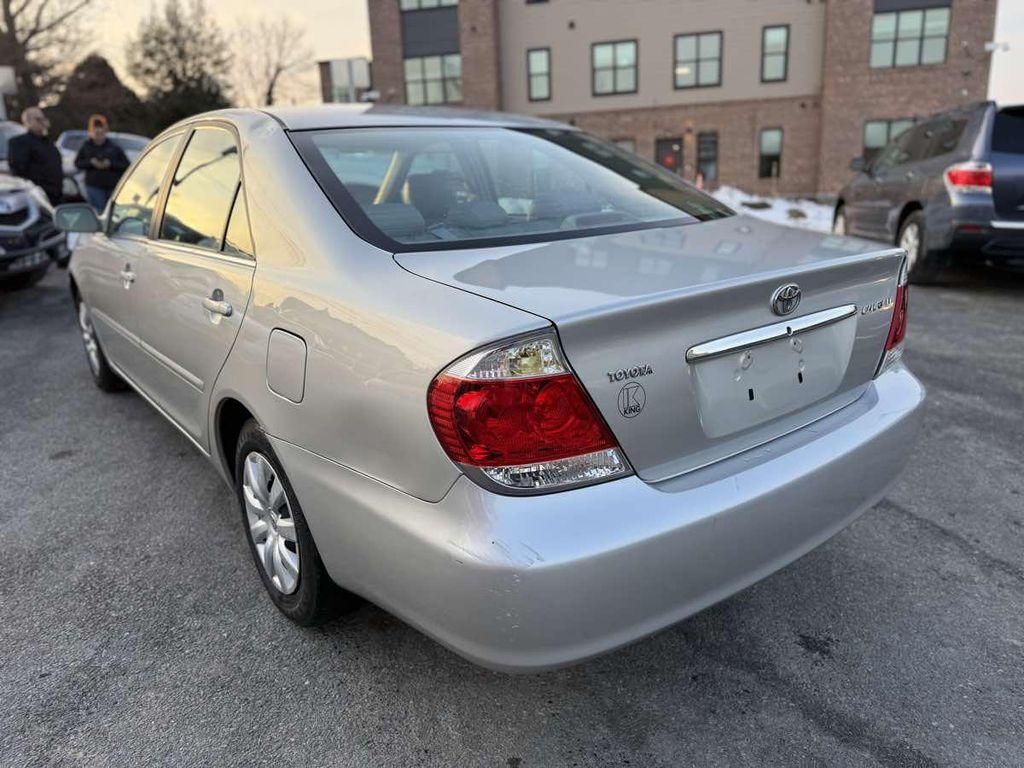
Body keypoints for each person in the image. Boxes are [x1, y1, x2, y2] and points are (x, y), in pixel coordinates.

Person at [7, 106, 63, 206]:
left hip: (56, 194)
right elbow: (18, 170)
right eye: (38, 119)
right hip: (37, 197)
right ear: (27, 122)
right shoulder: (20, 142)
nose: (42, 122)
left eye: (43, 118)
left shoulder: (48, 142)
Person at [74, 114, 130, 212]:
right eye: (96, 132)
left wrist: (110, 164)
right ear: (91, 132)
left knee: (112, 212)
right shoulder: (86, 146)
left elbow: (126, 165)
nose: (99, 135)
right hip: (94, 186)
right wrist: (91, 162)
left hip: (112, 186)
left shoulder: (114, 147)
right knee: (99, 212)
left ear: (105, 131)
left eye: (101, 132)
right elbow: (77, 163)